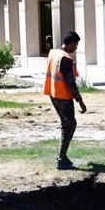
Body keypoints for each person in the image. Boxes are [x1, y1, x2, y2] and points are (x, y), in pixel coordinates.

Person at [44, 30, 87, 170]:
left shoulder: (54, 53)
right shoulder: (66, 59)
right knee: (69, 125)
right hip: (63, 96)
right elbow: (70, 82)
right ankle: (61, 158)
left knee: (67, 124)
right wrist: (80, 100)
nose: (76, 48)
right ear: (71, 43)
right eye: (76, 45)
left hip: (53, 94)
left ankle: (63, 156)